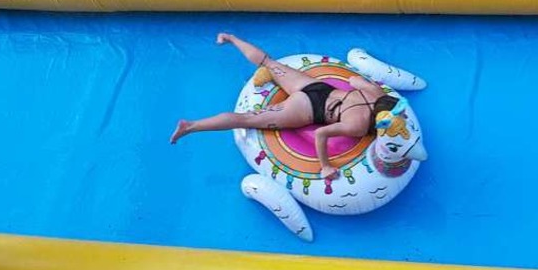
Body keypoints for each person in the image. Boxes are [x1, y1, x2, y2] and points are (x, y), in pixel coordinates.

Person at [169, 33, 400, 179]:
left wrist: (363, 91)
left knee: (268, 62)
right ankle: (191, 126)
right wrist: (325, 166)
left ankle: (230, 38)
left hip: (317, 88)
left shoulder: (377, 94)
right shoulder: (358, 126)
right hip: (306, 109)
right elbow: (321, 134)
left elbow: (354, 80)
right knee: (246, 119)